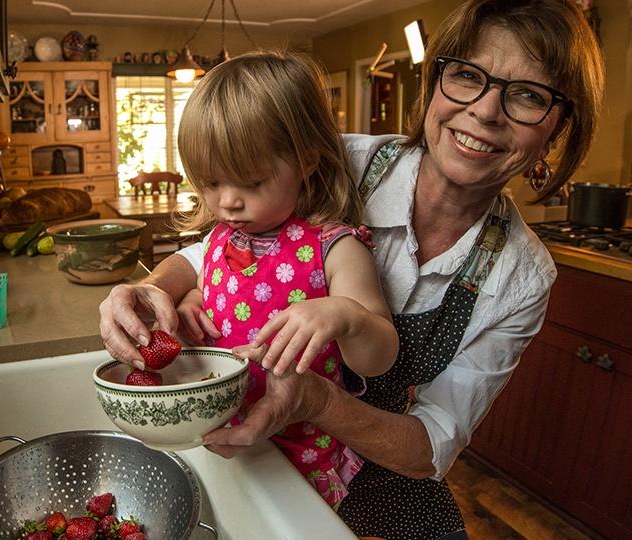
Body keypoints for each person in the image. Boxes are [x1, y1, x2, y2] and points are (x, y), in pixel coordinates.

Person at [99, 0, 604, 537]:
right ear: (435, 83)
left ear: (558, 131)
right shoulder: (339, 161)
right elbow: (220, 249)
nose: (484, 111)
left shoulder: (520, 278)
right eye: (466, 75)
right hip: (244, 434)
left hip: (371, 456)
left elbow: (430, 445)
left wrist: (315, 399)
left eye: (527, 95)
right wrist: (151, 288)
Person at [171, 50, 400, 507]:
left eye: (251, 183)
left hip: (303, 451)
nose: (228, 202)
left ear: (307, 160)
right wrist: (195, 300)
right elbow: (220, 289)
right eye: (211, 183)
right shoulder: (220, 238)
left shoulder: (335, 247)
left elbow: (380, 357)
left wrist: (346, 315)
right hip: (223, 434)